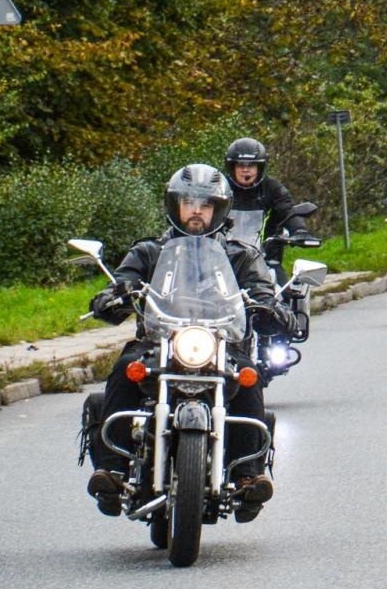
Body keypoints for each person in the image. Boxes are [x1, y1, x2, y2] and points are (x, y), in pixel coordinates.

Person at [85, 164, 287, 522]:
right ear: (174, 206)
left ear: (219, 210)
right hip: (159, 341)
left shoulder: (241, 255)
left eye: (205, 204)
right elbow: (123, 280)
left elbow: (262, 289)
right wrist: (112, 296)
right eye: (189, 202)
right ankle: (112, 471)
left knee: (248, 376)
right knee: (123, 370)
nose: (196, 211)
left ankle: (247, 475)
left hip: (222, 344)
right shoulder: (148, 251)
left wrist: (272, 306)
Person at [223, 137, 310, 277]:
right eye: (240, 165)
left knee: (285, 293)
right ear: (232, 167)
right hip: (222, 259)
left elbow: (287, 210)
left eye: (251, 165)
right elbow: (201, 208)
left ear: (260, 167)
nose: (246, 170)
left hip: (265, 259)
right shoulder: (220, 187)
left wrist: (299, 230)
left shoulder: (272, 188)